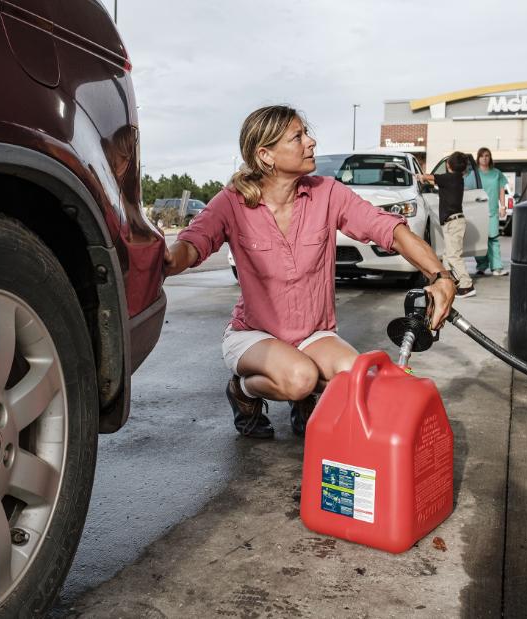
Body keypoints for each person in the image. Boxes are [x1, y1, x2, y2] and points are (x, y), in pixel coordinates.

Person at [162, 105, 459, 439]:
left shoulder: (327, 193)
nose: (311, 142)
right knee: (300, 378)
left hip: (313, 334)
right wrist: (165, 260)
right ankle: (244, 392)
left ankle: (306, 399)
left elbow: (390, 230)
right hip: (255, 335)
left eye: (307, 133)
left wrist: (440, 276)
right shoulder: (232, 202)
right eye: (298, 137)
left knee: (356, 378)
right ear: (266, 155)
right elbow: (191, 245)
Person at [416, 151, 475, 298]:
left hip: (453, 223)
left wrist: (421, 176)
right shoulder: (455, 179)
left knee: (454, 256)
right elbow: (435, 181)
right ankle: (450, 283)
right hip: (453, 222)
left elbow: (432, 177)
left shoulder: (450, 178)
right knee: (448, 256)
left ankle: (467, 286)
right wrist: (425, 179)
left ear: (448, 165)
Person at [472, 147, 509, 276]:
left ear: (490, 157)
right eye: (482, 156)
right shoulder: (474, 173)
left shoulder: (496, 173)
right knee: (479, 239)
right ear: (478, 158)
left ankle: (496, 267)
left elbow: (501, 190)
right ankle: (481, 266)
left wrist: (503, 206)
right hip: (477, 211)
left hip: (492, 211)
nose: (484, 158)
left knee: (493, 239)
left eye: (487, 155)